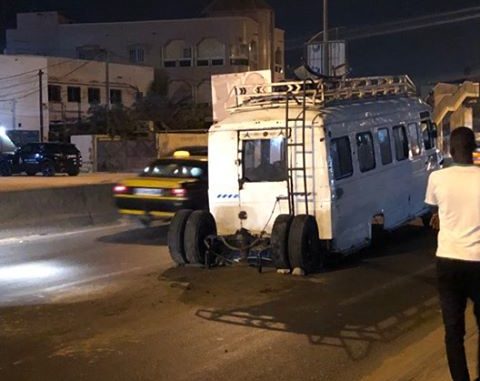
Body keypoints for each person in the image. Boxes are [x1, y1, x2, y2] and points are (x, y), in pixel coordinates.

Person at [425, 127, 480, 381]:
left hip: (447, 261)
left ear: (450, 149)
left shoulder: (437, 178)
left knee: (453, 331)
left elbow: (439, 209)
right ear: (474, 149)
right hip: (478, 261)